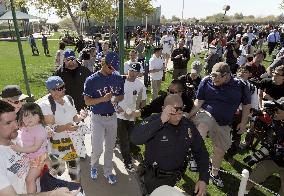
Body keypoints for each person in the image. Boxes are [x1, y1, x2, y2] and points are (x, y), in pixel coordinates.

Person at [188, 62, 251, 187]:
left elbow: (246, 105)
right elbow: (199, 101)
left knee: (220, 150)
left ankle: (214, 173)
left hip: (224, 123)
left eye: (217, 77)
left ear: (227, 75)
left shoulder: (241, 85)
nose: (213, 79)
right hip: (206, 114)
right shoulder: (206, 81)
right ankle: (193, 156)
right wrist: (189, 116)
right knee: (203, 125)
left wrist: (243, 123)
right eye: (212, 76)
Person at [131, 94, 209, 196]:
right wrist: (161, 120)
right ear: (164, 109)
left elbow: (201, 152)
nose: (178, 114)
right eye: (173, 110)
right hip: (151, 177)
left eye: (181, 109)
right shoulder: (154, 120)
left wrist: (203, 178)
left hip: (172, 179)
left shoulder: (187, 126)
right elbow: (135, 138)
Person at [0, 100, 81, 195]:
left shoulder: (19, 136)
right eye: (8, 123)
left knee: (79, 190)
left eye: (15, 119)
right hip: (35, 192)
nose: (16, 126)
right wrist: (52, 194)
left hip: (44, 180)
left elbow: (38, 134)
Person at [83, 52, 124, 185]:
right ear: (103, 63)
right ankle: (94, 166)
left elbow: (121, 95)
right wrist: (103, 99)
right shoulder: (91, 80)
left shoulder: (117, 77)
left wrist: (114, 99)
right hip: (97, 118)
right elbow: (87, 101)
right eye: (111, 67)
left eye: (115, 68)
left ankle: (108, 171)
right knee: (98, 147)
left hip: (112, 117)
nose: (113, 70)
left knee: (110, 147)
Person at [38, 76, 87, 183]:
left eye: (63, 87)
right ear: (51, 91)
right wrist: (66, 127)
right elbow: (50, 128)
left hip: (72, 143)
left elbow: (75, 118)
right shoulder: (46, 105)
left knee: (75, 172)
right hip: (57, 146)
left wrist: (81, 116)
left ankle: (77, 189)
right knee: (57, 171)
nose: (64, 89)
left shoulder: (69, 99)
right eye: (60, 88)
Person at [245, 97, 284, 195]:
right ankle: (242, 192)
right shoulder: (276, 121)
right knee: (252, 179)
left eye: (278, 110)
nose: (275, 112)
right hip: (273, 159)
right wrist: (255, 157)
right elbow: (269, 144)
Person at [10, 103, 48, 193]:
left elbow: (35, 148)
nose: (29, 118)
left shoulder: (39, 130)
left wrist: (20, 149)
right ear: (22, 118)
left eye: (34, 115)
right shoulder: (24, 127)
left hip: (39, 158)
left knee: (29, 179)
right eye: (26, 116)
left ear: (40, 116)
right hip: (29, 158)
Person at [116, 62, 146, 172]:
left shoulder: (140, 85)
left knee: (131, 138)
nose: (133, 73)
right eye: (131, 70)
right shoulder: (120, 81)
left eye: (135, 71)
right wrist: (117, 108)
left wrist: (139, 111)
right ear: (127, 70)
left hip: (131, 116)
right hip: (119, 115)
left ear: (139, 73)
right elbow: (112, 98)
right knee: (124, 140)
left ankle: (117, 141)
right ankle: (128, 162)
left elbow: (143, 101)